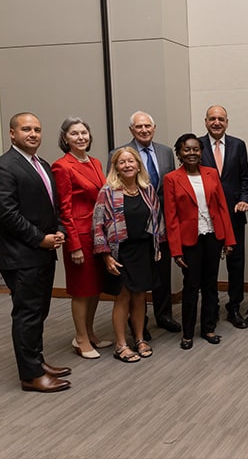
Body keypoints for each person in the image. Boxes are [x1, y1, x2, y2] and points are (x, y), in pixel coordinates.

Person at [0, 112, 71, 392]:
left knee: (40, 310)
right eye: (26, 129)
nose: (33, 134)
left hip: (43, 251)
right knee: (27, 313)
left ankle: (36, 360)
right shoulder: (3, 168)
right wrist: (40, 239)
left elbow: (51, 205)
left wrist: (58, 229)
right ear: (12, 134)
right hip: (20, 254)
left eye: (37, 129)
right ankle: (30, 376)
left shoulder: (41, 164)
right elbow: (7, 215)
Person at [164, 134, 236, 349]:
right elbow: (171, 217)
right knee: (191, 286)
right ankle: (187, 333)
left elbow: (222, 208)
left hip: (213, 236)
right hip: (189, 240)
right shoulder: (171, 179)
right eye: (187, 149)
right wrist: (175, 251)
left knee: (211, 285)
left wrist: (228, 240)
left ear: (201, 152)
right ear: (179, 153)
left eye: (196, 149)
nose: (192, 153)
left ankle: (208, 328)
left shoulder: (211, 173)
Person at [93, 147, 165, 363]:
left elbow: (156, 219)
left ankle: (140, 339)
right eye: (122, 162)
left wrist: (157, 247)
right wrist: (105, 255)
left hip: (144, 250)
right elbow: (97, 225)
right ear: (116, 167)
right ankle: (121, 345)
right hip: (120, 252)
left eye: (131, 161)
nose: (127, 165)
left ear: (138, 165)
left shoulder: (147, 189)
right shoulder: (107, 191)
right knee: (123, 297)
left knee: (141, 296)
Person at [111, 111, 179, 336]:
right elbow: (113, 192)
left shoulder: (166, 152)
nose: (144, 130)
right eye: (139, 127)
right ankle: (138, 323)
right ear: (131, 130)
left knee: (161, 271)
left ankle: (164, 315)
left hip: (161, 222)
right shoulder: (120, 153)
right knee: (134, 280)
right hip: (132, 224)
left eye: (147, 126)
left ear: (154, 127)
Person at [52, 117, 111, 359]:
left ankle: (90, 332)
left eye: (84, 133)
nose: (80, 137)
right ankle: (80, 338)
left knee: (95, 287)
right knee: (81, 289)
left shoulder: (96, 162)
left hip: (98, 234)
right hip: (79, 235)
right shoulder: (62, 166)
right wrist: (73, 245)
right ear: (65, 138)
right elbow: (64, 210)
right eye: (74, 134)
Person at [198, 105, 248, 328]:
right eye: (212, 119)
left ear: (227, 122)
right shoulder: (196, 145)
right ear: (206, 121)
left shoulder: (238, 145)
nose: (217, 122)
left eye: (221, 119)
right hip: (205, 216)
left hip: (234, 214)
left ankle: (234, 307)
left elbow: (245, 179)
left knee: (236, 263)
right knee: (208, 264)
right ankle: (210, 308)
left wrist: (245, 199)